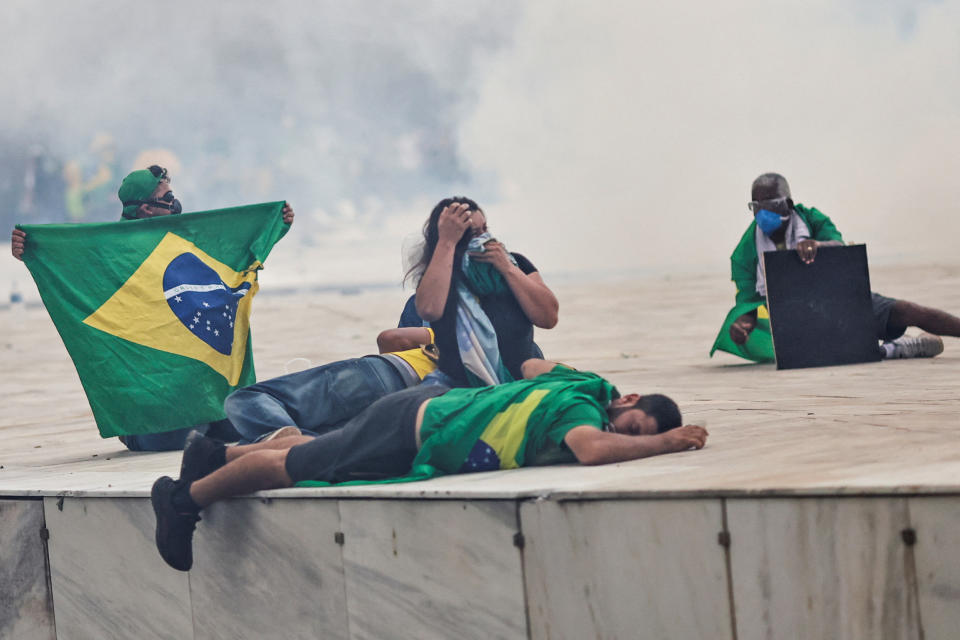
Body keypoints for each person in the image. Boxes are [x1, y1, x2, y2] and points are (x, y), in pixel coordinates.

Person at [151, 357, 707, 571]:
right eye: (629, 429)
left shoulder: (583, 383)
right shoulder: (583, 407)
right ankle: (182, 501)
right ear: (628, 401)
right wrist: (666, 444)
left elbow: (536, 363)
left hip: (418, 417)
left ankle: (214, 454)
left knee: (313, 446)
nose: (620, 438)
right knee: (292, 465)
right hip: (415, 431)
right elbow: (590, 447)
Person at [10, 165, 296, 450]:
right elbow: (71, 268)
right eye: (167, 196)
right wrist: (31, 250)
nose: (174, 201)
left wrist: (274, 224)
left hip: (199, 384)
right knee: (181, 438)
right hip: (155, 393)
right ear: (146, 209)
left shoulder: (185, 236)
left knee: (247, 422)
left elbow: (234, 249)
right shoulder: (110, 249)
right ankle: (134, 433)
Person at [710, 173, 960, 362]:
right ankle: (901, 348)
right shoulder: (745, 253)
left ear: (788, 203)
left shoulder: (812, 219)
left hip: (843, 300)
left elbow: (838, 245)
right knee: (837, 353)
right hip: (797, 319)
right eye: (756, 206)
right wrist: (743, 324)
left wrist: (817, 244)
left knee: (907, 310)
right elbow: (748, 302)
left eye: (770, 204)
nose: (762, 212)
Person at [407, 196, 559, 388]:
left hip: (520, 378)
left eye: (485, 230)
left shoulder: (516, 263)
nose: (484, 239)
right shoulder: (442, 273)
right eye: (473, 234)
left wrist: (507, 269)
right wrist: (446, 242)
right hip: (457, 383)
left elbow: (548, 318)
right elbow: (429, 309)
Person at [225, 327, 439, 443]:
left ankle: (290, 447)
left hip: (390, 373)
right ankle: (303, 450)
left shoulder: (465, 323)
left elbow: (392, 337)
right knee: (316, 437)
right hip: (413, 411)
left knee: (249, 399)